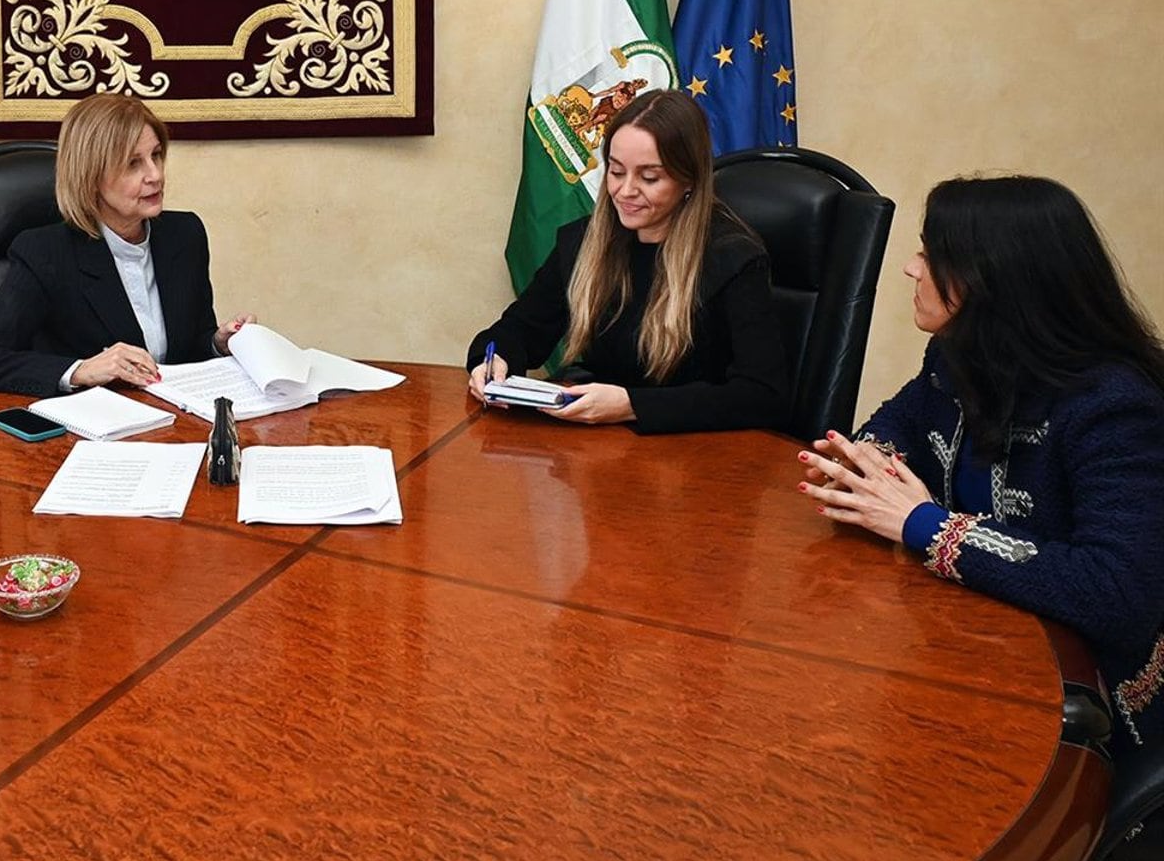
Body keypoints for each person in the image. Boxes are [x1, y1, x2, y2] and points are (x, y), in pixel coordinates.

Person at [797, 176, 1164, 753]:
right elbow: (898, 422)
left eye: (929, 254)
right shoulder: (955, 352)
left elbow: (1117, 593)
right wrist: (864, 469)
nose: (911, 269)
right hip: (970, 639)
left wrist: (924, 525)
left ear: (987, 279)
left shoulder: (1113, 406)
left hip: (1091, 701)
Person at [467, 88, 788, 432]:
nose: (625, 191)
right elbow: (520, 330)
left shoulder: (733, 258)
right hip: (598, 451)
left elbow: (762, 396)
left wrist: (631, 405)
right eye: (617, 172)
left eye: (649, 178)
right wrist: (493, 360)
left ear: (689, 180)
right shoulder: (584, 241)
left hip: (695, 456)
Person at [0, 93, 247, 396]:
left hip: (174, 426)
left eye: (156, 155)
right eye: (133, 164)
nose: (155, 175)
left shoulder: (184, 235)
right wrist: (79, 370)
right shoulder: (46, 254)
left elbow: (187, 348)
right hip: (92, 431)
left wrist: (217, 343)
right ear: (90, 177)